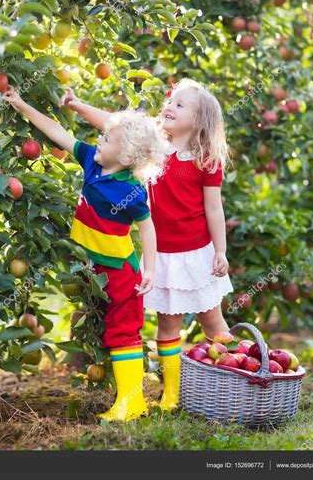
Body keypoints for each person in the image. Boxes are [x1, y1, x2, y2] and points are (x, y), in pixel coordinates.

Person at [60, 79, 233, 411]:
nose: (169, 107)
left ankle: (234, 376)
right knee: (168, 326)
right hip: (163, 254)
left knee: (212, 319)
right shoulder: (154, 142)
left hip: (197, 253)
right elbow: (113, 125)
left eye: (180, 105)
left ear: (199, 119)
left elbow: (214, 207)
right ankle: (173, 393)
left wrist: (220, 251)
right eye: (170, 101)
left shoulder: (205, 158)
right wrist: (78, 105)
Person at [2, 86, 167, 421]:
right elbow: (56, 131)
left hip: (120, 271)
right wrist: (22, 104)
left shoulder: (132, 191)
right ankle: (126, 398)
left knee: (123, 332)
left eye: (107, 139)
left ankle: (131, 402)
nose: (99, 141)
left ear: (128, 157)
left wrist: (150, 270)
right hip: (93, 269)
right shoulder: (91, 163)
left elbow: (147, 229)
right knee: (110, 330)